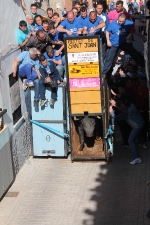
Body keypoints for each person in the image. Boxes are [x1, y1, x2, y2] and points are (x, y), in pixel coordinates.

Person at [110, 95, 144, 164]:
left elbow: (116, 117)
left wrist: (111, 111)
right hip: (140, 122)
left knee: (130, 140)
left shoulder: (127, 112)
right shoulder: (131, 104)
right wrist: (115, 104)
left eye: (121, 103)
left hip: (137, 126)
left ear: (123, 104)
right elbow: (123, 108)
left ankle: (137, 158)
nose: (121, 103)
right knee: (137, 134)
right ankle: (142, 143)